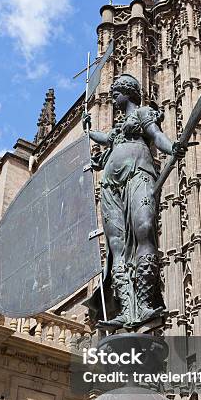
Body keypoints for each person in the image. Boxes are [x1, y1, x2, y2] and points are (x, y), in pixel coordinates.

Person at [82, 73, 184, 329]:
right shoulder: (117, 130)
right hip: (111, 184)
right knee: (116, 247)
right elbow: (105, 139)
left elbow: (157, 136)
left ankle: (146, 303)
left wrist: (172, 148)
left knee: (143, 230)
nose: (113, 96)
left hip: (139, 173)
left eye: (117, 91)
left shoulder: (143, 113)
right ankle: (127, 310)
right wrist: (87, 130)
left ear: (129, 92)